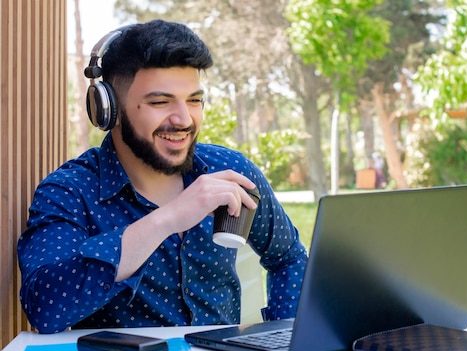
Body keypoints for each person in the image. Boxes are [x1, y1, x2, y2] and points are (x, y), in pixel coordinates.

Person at [17, 20, 308, 334]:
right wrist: (168, 219)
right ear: (108, 110)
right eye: (159, 102)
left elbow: (289, 258)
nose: (183, 119)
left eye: (194, 100)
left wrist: (284, 341)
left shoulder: (230, 171)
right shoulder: (69, 191)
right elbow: (45, 308)